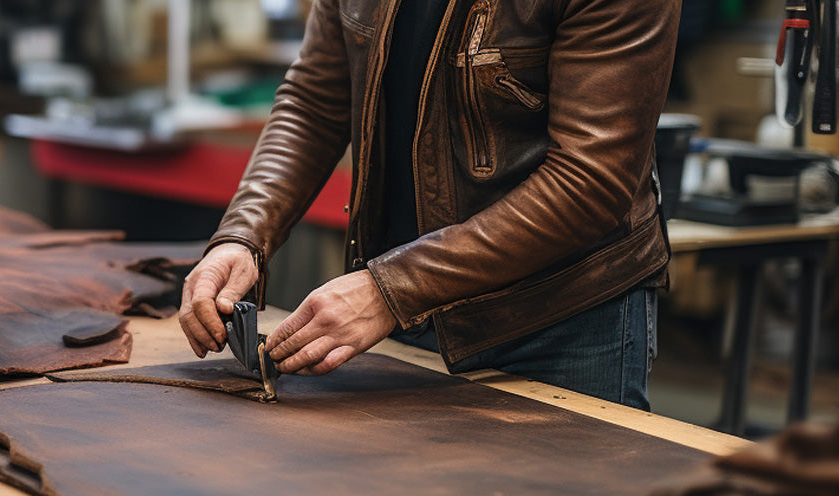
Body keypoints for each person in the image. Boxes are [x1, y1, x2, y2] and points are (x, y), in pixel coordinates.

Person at [179, 0, 680, 410]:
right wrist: (244, 235)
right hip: (410, 307)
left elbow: (589, 181)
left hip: (562, 317)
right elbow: (315, 100)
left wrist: (387, 289)